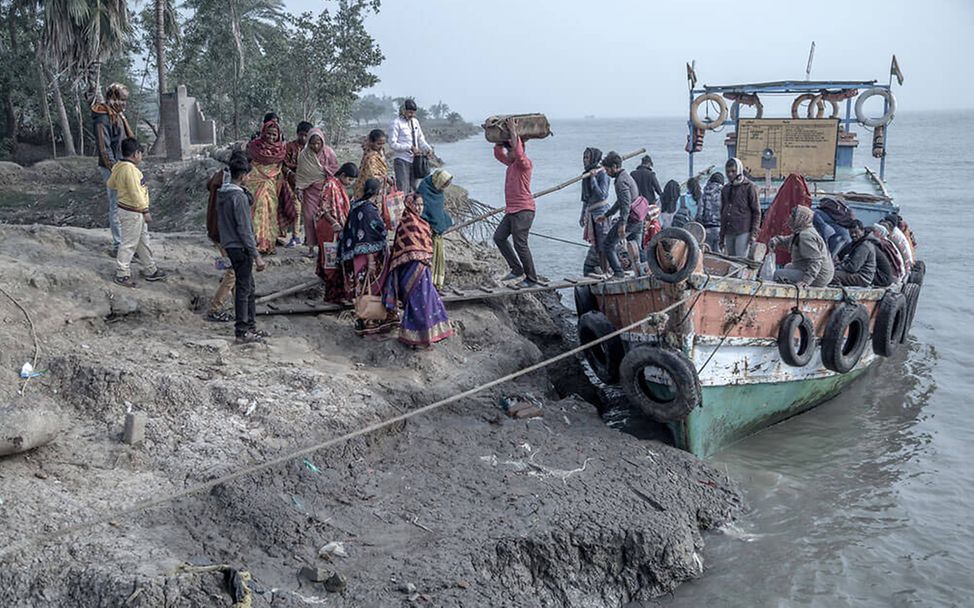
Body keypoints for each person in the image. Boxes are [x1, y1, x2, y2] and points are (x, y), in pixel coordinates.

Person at [383, 193, 454, 348]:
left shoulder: (421, 222)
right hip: (411, 269)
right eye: (416, 205)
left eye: (422, 205)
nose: (419, 208)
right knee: (417, 302)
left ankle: (429, 335)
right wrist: (421, 258)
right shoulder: (407, 222)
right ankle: (415, 338)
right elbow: (408, 247)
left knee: (429, 300)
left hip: (423, 268)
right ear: (409, 204)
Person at [338, 178, 398, 335]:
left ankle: (366, 320)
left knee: (363, 287)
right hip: (369, 257)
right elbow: (370, 237)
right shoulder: (369, 211)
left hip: (357, 258)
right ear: (377, 193)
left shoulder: (356, 206)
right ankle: (371, 321)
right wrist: (371, 260)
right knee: (373, 288)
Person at [217, 154, 267, 344]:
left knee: (247, 286)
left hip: (230, 244)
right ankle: (242, 330)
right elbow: (244, 229)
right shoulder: (237, 197)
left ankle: (250, 327)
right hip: (240, 246)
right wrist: (257, 255)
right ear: (244, 175)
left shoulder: (224, 193)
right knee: (244, 289)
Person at [108, 138, 167, 287]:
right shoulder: (131, 170)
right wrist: (145, 210)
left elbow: (111, 183)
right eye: (141, 153)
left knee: (142, 241)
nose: (141, 156)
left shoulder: (118, 166)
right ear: (135, 154)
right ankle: (122, 273)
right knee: (129, 243)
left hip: (128, 210)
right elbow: (135, 193)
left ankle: (150, 269)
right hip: (133, 212)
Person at [492, 117, 542, 287]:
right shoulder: (511, 164)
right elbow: (499, 154)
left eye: (510, 150)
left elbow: (519, 153)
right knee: (499, 237)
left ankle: (532, 278)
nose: (508, 153)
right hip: (512, 210)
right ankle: (516, 269)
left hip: (524, 210)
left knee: (520, 244)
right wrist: (499, 140)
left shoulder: (524, 164)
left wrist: (513, 132)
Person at [204, 150, 248, 321]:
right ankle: (215, 309)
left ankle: (239, 304)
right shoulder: (229, 186)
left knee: (234, 269)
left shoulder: (219, 177)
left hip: (216, 230)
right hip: (223, 233)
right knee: (233, 271)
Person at [92, 83, 135, 257]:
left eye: (125, 100)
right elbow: (104, 148)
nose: (124, 103)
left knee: (128, 205)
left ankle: (128, 244)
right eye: (122, 100)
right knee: (117, 206)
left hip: (122, 166)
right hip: (112, 168)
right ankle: (119, 246)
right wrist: (116, 169)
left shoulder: (117, 115)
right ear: (113, 98)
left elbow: (129, 139)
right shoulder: (102, 118)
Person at [315, 162, 359, 303]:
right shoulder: (330, 185)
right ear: (342, 175)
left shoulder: (339, 185)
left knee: (336, 259)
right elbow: (324, 207)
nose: (350, 183)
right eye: (349, 179)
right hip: (329, 226)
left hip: (337, 226)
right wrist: (334, 222)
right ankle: (331, 296)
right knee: (331, 260)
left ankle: (338, 294)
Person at [599, 151, 645, 280]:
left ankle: (618, 273)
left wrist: (622, 224)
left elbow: (625, 204)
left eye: (607, 169)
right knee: (636, 248)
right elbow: (621, 201)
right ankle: (641, 274)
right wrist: (608, 215)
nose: (607, 173)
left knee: (608, 244)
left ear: (614, 167)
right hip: (639, 216)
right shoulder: (627, 176)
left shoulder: (620, 181)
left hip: (631, 219)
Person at [244, 119, 287, 254]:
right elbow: (248, 165)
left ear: (278, 136)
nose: (271, 137)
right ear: (263, 133)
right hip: (255, 183)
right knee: (257, 211)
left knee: (270, 212)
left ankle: (268, 244)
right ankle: (256, 244)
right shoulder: (254, 147)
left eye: (274, 135)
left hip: (271, 185)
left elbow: (279, 169)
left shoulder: (280, 151)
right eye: (268, 134)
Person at [295, 127, 339, 257]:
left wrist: (324, 169)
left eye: (318, 143)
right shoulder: (304, 155)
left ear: (322, 142)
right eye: (313, 143)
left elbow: (335, 168)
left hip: (325, 191)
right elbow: (301, 174)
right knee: (309, 218)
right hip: (310, 191)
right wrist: (299, 188)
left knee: (324, 219)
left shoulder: (329, 153)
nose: (315, 146)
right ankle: (310, 247)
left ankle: (323, 246)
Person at [767, 206, 833, 287]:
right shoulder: (803, 230)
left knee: (777, 274)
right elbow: (789, 240)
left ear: (799, 218)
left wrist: (806, 281)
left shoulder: (806, 236)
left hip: (819, 276)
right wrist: (776, 240)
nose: (789, 218)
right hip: (817, 272)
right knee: (788, 266)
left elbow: (816, 261)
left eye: (792, 216)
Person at [417, 168, 454, 289]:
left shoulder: (438, 191)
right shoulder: (424, 188)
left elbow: (438, 210)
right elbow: (424, 210)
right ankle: (426, 283)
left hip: (437, 234)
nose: (444, 187)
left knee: (437, 257)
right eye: (443, 184)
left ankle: (435, 282)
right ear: (438, 181)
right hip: (425, 231)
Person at [579, 147, 611, 277]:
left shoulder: (602, 173)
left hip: (601, 213)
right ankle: (603, 270)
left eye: (587, 158)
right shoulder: (586, 174)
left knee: (604, 244)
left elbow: (602, 195)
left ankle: (607, 271)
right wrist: (582, 215)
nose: (585, 160)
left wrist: (593, 179)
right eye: (584, 158)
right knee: (597, 245)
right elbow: (586, 199)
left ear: (594, 158)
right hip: (591, 213)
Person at [280, 121, 313, 247]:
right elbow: (283, 164)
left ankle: (308, 238)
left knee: (310, 211)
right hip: (292, 183)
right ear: (297, 134)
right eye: (301, 135)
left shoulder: (313, 148)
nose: (303, 138)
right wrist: (290, 173)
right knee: (296, 210)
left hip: (309, 184)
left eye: (306, 136)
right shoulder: (290, 147)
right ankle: (295, 236)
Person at [719, 157, 761, 257]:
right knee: (730, 261)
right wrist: (721, 237)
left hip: (743, 230)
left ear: (739, 170)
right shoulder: (726, 189)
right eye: (728, 171)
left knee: (740, 261)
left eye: (733, 171)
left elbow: (756, 212)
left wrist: (753, 233)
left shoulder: (749, 187)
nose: (730, 174)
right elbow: (723, 213)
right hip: (729, 231)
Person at [388, 99, 432, 193]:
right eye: (410, 112)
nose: (412, 115)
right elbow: (392, 144)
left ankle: (412, 207)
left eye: (413, 113)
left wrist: (427, 149)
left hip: (415, 160)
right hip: (401, 159)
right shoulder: (396, 123)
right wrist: (409, 147)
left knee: (414, 188)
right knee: (403, 187)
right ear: (403, 110)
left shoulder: (415, 122)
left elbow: (420, 139)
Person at [832, 220, 877, 287]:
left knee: (832, 275)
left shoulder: (864, 246)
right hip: (858, 274)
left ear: (862, 231)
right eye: (851, 233)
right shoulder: (858, 243)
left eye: (856, 232)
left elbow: (853, 267)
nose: (853, 235)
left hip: (863, 277)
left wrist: (838, 267)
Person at [355, 129, 394, 199]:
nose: (381, 146)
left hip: (381, 188)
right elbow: (373, 175)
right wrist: (387, 179)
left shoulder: (380, 151)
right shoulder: (371, 157)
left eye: (383, 144)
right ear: (371, 142)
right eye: (378, 144)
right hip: (370, 188)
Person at [696, 172, 724, 252]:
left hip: (707, 229)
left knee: (708, 254)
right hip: (720, 229)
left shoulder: (704, 193)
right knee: (719, 255)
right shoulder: (724, 192)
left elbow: (699, 213)